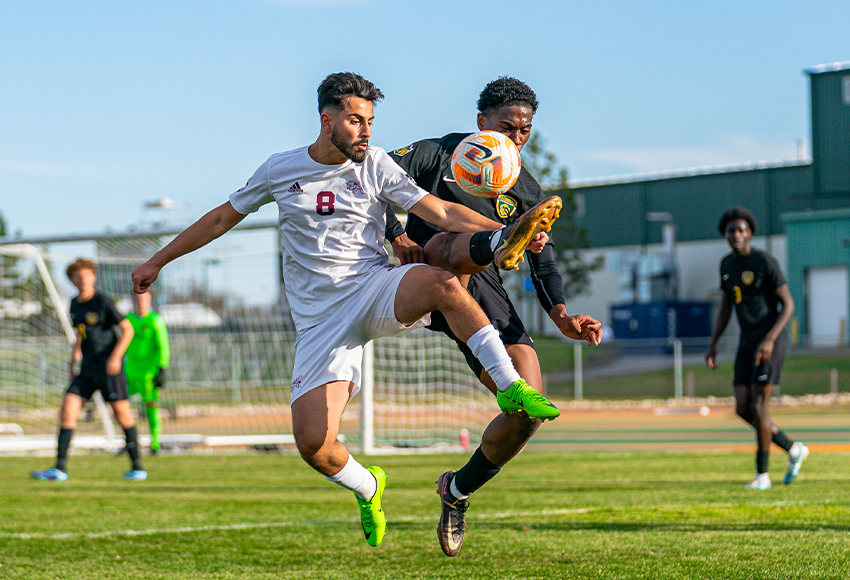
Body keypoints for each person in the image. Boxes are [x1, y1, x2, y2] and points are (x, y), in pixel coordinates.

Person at [131, 72, 563, 548]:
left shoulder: (376, 164)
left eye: (371, 122)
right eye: (356, 121)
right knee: (314, 445)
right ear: (327, 120)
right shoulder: (281, 168)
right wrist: (157, 260)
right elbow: (219, 218)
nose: (366, 132)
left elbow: (439, 212)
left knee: (441, 282)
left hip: (374, 287)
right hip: (321, 321)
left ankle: (510, 389)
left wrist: (506, 231)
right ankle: (368, 485)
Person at [384, 76, 602, 556]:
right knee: (444, 246)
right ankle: (500, 241)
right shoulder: (434, 153)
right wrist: (397, 234)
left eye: (525, 132)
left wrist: (562, 315)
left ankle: (456, 491)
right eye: (507, 127)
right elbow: (370, 183)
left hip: (479, 288)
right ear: (481, 122)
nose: (516, 139)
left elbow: (542, 258)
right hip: (419, 271)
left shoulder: (523, 185)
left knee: (527, 408)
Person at [705, 207, 809, 490]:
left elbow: (789, 305)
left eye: (741, 230)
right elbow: (727, 307)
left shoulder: (765, 261)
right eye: (731, 231)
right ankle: (792, 448)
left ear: (750, 232)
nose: (736, 235)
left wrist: (770, 339)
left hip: (770, 342)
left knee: (761, 407)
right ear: (725, 235)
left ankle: (762, 476)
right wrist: (713, 343)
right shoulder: (726, 265)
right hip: (746, 342)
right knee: (742, 408)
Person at [31, 258, 147, 482]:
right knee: (67, 411)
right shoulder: (74, 303)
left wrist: (116, 357)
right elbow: (80, 332)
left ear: (93, 276)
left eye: (86, 274)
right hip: (87, 370)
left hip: (109, 370)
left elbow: (127, 329)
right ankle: (59, 469)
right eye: (77, 276)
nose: (82, 279)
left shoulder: (103, 301)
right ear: (72, 279)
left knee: (123, 415)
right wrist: (74, 357)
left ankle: (137, 467)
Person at [125, 290, 171, 454]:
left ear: (149, 300)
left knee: (150, 407)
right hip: (129, 370)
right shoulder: (128, 320)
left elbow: (163, 345)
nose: (141, 301)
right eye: (138, 297)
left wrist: (162, 368)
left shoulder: (155, 320)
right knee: (123, 407)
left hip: (149, 373)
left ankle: (155, 443)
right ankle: (129, 443)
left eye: (144, 298)